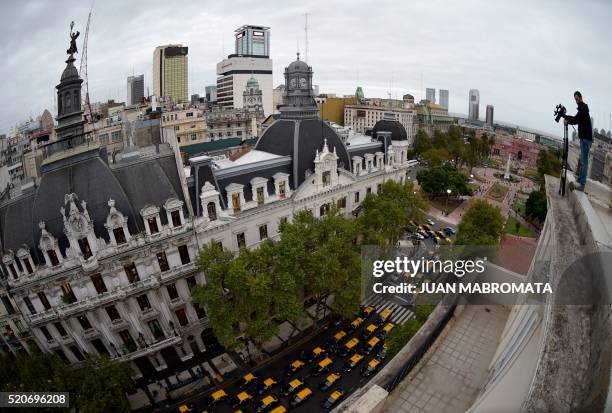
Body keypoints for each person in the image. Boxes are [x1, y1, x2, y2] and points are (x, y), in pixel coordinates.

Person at [564, 91, 593, 191]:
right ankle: (580, 179)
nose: (576, 101)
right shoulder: (582, 108)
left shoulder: (583, 108)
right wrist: (566, 117)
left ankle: (582, 184)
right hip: (584, 138)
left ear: (581, 97)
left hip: (586, 138)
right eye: (575, 99)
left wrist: (568, 119)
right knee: (583, 161)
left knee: (584, 161)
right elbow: (576, 118)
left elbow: (576, 120)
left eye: (577, 99)